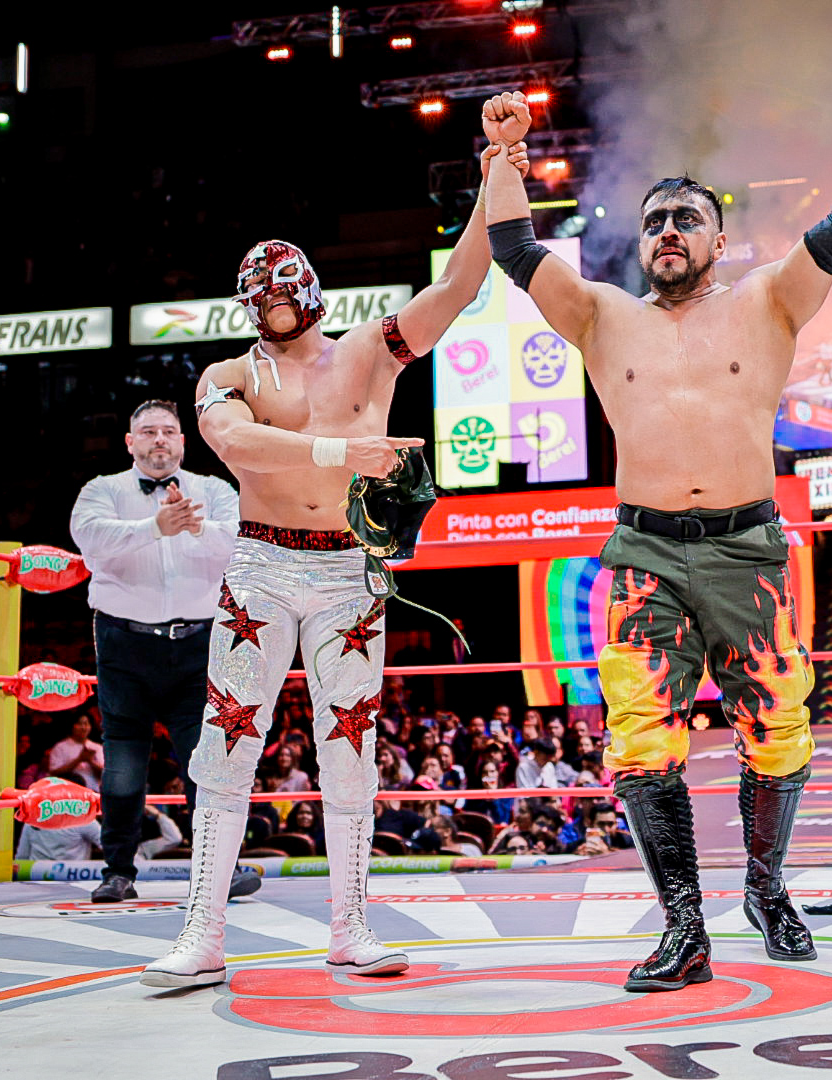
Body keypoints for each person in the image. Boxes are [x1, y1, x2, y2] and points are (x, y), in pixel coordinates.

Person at [481, 54, 832, 991]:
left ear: (719, 237)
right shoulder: (602, 316)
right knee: (640, 740)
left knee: (780, 727)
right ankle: (684, 927)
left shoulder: (768, 300)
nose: (667, 230)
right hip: (644, 555)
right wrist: (505, 157)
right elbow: (514, 251)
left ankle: (766, 887)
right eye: (653, 221)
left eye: (686, 218)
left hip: (748, 551)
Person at [141, 137, 532, 989]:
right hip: (260, 564)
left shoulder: (371, 349)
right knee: (226, 745)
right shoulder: (228, 374)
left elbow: (460, 284)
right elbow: (230, 440)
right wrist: (340, 452)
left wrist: (495, 173)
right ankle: (202, 933)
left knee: (350, 749)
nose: (276, 306)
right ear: (249, 305)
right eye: (263, 297)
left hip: (348, 571)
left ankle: (351, 930)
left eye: (285, 292)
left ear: (309, 290)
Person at [70, 400, 249, 904]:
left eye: (168, 431)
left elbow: (244, 542)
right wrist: (155, 527)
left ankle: (219, 871)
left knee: (206, 760)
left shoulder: (214, 491)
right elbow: (88, 537)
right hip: (124, 644)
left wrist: (195, 527)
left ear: (183, 441)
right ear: (130, 442)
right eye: (147, 431)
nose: (159, 440)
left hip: (198, 643)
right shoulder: (103, 490)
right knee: (123, 762)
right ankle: (117, 872)